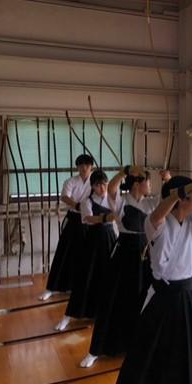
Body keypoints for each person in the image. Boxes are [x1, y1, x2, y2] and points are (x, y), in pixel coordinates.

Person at [111, 176, 192, 384]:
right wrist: (178, 192)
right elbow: (157, 216)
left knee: (190, 354)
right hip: (164, 298)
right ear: (181, 199)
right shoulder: (157, 222)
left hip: (190, 296)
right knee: (152, 357)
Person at [79, 165, 156, 368]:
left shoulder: (150, 202)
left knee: (143, 299)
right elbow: (113, 187)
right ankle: (96, 350)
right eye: (148, 181)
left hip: (145, 253)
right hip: (124, 252)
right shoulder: (121, 201)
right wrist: (126, 171)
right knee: (113, 299)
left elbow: (168, 201)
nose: (151, 185)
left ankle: (139, 347)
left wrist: (168, 180)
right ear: (137, 184)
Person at [55, 170, 117, 331]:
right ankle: (68, 316)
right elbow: (88, 219)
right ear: (93, 187)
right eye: (98, 185)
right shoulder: (86, 202)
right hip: (93, 242)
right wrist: (105, 218)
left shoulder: (112, 199)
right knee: (86, 277)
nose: (102, 188)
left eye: (105, 184)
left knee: (110, 277)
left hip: (110, 240)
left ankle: (104, 315)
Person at [40, 154, 94, 301]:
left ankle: (82, 288)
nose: (84, 168)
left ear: (92, 167)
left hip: (90, 221)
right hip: (74, 219)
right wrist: (77, 206)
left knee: (87, 254)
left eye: (87, 165)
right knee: (64, 252)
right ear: (77, 167)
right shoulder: (71, 181)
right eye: (81, 165)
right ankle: (52, 288)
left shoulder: (95, 181)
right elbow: (64, 196)